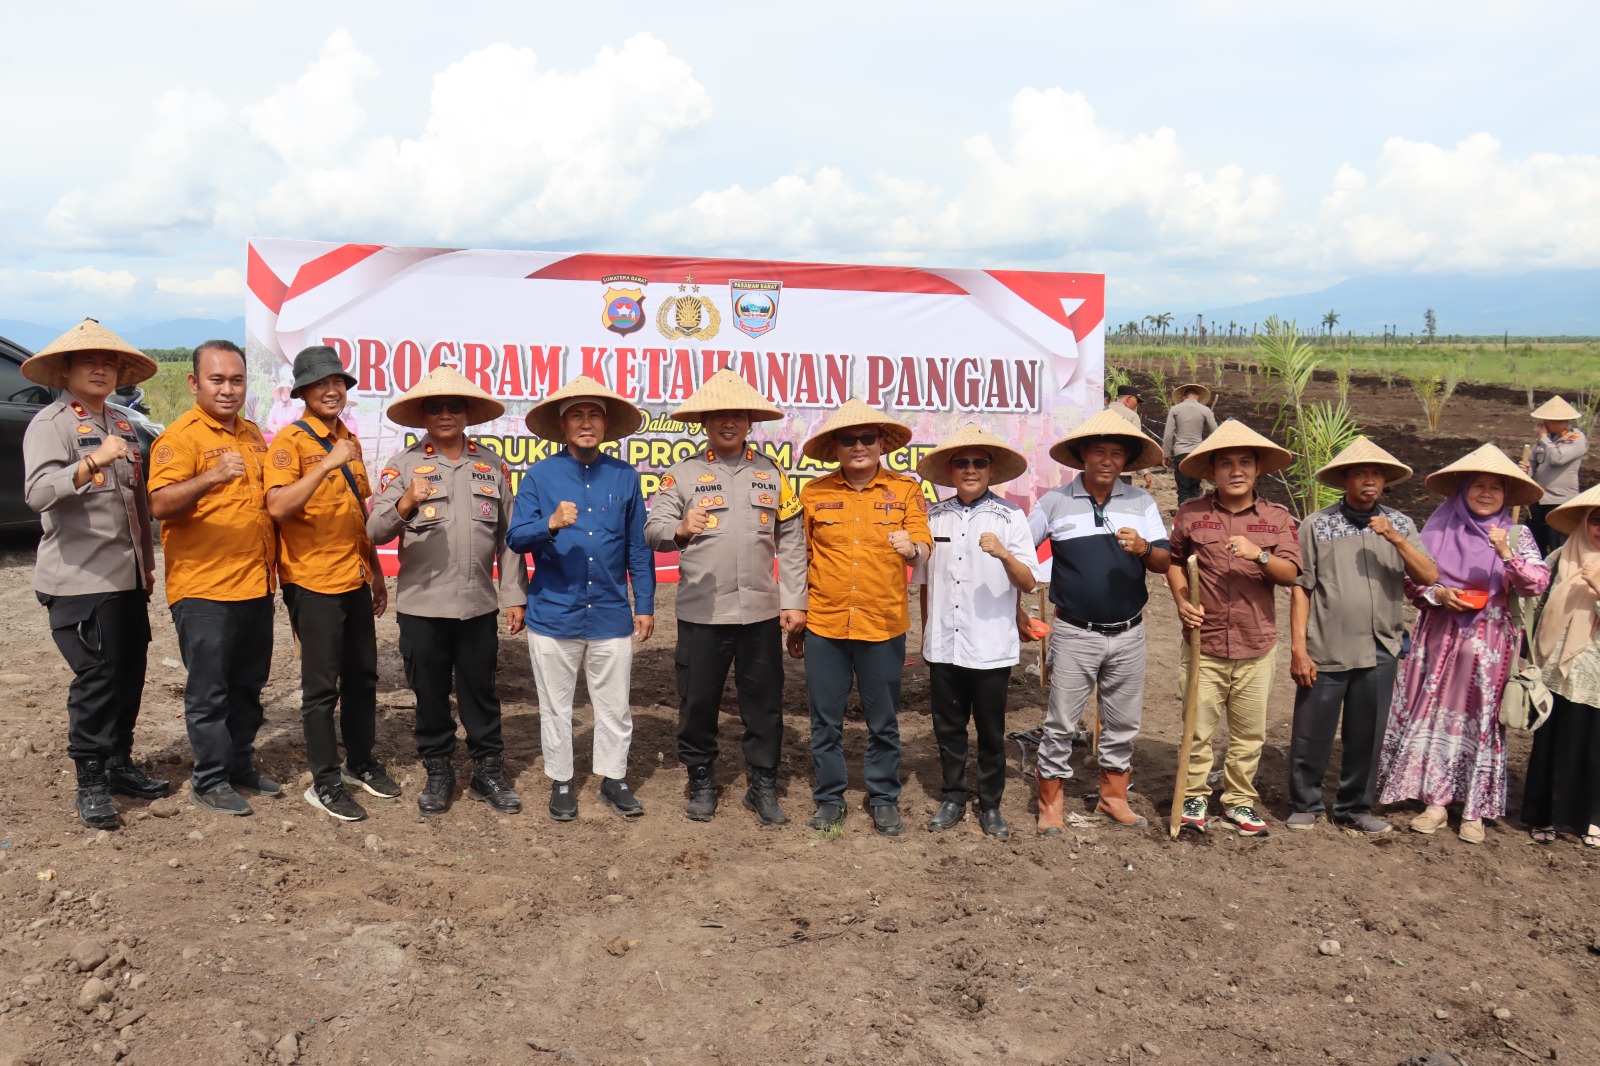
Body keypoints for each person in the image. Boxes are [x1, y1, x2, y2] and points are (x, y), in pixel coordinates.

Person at [643, 370, 807, 825]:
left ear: (750, 422)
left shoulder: (772, 473)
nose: (728, 422)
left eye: (737, 415)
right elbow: (653, 530)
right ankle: (701, 779)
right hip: (703, 612)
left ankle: (762, 784)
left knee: (765, 703)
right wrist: (679, 529)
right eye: (719, 415)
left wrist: (795, 599)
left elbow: (792, 539)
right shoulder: (681, 475)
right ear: (705, 422)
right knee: (697, 701)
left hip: (760, 612)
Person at [22, 319, 168, 829]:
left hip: (125, 577)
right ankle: (90, 781)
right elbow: (38, 493)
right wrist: (90, 463)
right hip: (79, 579)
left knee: (129, 673)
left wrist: (147, 567)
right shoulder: (52, 423)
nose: (101, 370)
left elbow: (135, 505)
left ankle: (118, 763)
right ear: (66, 370)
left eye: (109, 363)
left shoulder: (122, 423)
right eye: (89, 362)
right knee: (97, 679)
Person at [368, 367, 528, 817]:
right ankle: (438, 770)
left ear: (467, 413)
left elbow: (509, 537)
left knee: (481, 690)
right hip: (422, 605)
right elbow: (374, 531)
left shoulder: (492, 465)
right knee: (430, 692)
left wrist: (514, 595)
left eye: (454, 406)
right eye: (435, 407)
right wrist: (406, 502)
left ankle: (487, 770)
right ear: (422, 415)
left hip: (477, 604)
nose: (445, 414)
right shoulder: (402, 466)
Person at [1377, 445, 1549, 843]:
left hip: (1490, 646)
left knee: (1480, 720)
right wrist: (1438, 594)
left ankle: (1474, 809)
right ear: (1463, 490)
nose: (1486, 493)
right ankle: (1435, 802)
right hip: (1438, 638)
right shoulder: (1438, 528)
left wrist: (1506, 554)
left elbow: (1537, 583)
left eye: (1495, 488)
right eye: (1478, 486)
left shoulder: (1517, 534)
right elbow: (1412, 580)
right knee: (1435, 715)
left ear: (1506, 495)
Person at [508, 375, 655, 822]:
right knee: (555, 705)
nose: (586, 423)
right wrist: (549, 524)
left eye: (594, 415)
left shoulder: (625, 476)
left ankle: (614, 779)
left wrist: (645, 604)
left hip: (610, 612)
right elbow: (515, 538)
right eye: (577, 415)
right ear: (563, 425)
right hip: (554, 612)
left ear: (606, 424)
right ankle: (562, 781)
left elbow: (638, 547)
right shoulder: (540, 476)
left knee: (614, 705)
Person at [147, 340, 279, 816]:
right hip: (204, 589)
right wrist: (211, 477)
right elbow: (159, 504)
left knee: (248, 685)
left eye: (236, 380)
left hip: (255, 584)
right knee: (210, 691)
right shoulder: (180, 438)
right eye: (216, 380)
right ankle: (209, 779)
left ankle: (238, 763)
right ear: (194, 383)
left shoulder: (252, 434)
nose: (227, 389)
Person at [264, 345, 396, 823]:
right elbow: (278, 507)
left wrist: (376, 572)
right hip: (312, 581)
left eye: (337, 381)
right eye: (320, 383)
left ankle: (359, 761)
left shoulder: (349, 440)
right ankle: (324, 782)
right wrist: (324, 464)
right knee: (321, 690)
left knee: (363, 677)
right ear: (302, 392)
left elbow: (359, 513)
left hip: (354, 576)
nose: (331, 390)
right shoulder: (289, 443)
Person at [1029, 408, 1171, 833]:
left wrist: (1144, 548)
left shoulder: (1142, 502)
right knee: (1061, 722)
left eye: (1116, 454)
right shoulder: (1054, 502)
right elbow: (1020, 549)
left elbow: (1163, 562)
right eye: (1099, 452)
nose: (1107, 461)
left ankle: (1113, 799)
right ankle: (1050, 804)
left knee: (1122, 723)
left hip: (1129, 632)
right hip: (1075, 632)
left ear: (1126, 461)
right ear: (1083, 456)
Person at [794, 398, 932, 836]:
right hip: (825, 623)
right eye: (848, 439)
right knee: (824, 719)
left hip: (883, 623)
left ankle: (883, 796)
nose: (858, 446)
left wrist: (913, 548)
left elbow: (924, 542)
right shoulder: (815, 493)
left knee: (883, 720)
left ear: (881, 444)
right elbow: (800, 556)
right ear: (835, 447)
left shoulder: (905, 490)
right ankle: (830, 797)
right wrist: (795, 612)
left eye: (867, 438)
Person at [1289, 437, 1438, 834]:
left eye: (1376, 474)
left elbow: (1428, 575)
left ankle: (1354, 807)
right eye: (1360, 473)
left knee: (1367, 733)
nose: (1369, 480)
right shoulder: (1317, 525)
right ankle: (1305, 803)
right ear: (1344, 480)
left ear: (1385, 481)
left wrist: (1395, 538)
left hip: (1381, 646)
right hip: (1328, 644)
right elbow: (1302, 587)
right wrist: (1299, 648)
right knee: (1312, 729)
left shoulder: (1400, 524)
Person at [1165, 420, 1300, 837]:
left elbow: (1291, 573)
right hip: (1203, 645)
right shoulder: (1192, 513)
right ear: (1213, 471)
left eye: (1245, 462)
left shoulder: (1276, 518)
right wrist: (1183, 602)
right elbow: (1174, 562)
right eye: (1226, 463)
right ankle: (1193, 796)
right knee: (1197, 729)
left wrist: (1260, 555)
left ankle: (1238, 801)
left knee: (1249, 734)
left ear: (1257, 469)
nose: (1236, 471)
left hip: (1256, 644)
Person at [912, 424, 1039, 840]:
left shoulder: (1011, 517)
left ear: (991, 470)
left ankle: (990, 804)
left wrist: (1003, 554)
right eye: (962, 462)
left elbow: (1028, 582)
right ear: (950, 470)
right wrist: (927, 636)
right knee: (948, 728)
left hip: (990, 644)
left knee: (990, 730)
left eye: (979, 463)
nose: (970, 469)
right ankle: (952, 796)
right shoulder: (933, 516)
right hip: (944, 643)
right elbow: (924, 584)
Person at [1523, 482, 1600, 849]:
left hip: (1595, 677)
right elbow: (1530, 594)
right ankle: (1544, 817)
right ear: (1584, 522)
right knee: (1551, 743)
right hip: (1554, 671)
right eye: (1597, 520)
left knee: (1594, 748)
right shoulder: (1559, 558)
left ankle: (1591, 820)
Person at [1521, 396, 1588, 555]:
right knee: (1533, 547)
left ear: (1561, 422)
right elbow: (1534, 464)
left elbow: (1558, 458)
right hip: (1539, 500)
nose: (1543, 424)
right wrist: (1526, 470)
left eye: (1547, 421)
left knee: (1559, 548)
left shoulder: (1576, 438)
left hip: (1560, 502)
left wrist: (1544, 438)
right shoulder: (1543, 441)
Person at [1163, 383, 1219, 506]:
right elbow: (1216, 432)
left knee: (1183, 488)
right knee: (1194, 487)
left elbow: (1168, 434)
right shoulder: (1205, 410)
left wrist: (1166, 455)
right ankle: (1194, 514)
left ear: (1183, 397)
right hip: (1197, 454)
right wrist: (1207, 449)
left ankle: (1183, 514)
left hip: (1180, 453)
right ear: (1198, 396)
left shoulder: (1175, 409)